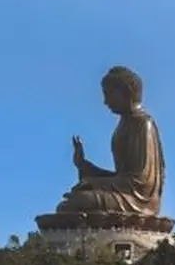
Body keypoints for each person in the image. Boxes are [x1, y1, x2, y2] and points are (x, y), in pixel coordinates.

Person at [54, 66, 166, 216]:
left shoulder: (142, 123)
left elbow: (141, 183)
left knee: (78, 201)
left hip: (138, 201)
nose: (105, 101)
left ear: (125, 92)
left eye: (109, 94)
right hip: (124, 192)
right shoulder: (125, 123)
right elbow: (120, 176)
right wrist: (85, 166)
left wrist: (95, 183)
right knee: (73, 201)